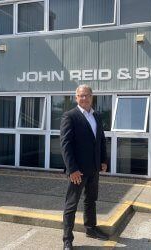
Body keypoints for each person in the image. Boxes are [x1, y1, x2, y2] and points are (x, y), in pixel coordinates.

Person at [60, 84, 108, 250]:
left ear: (92, 96)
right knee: (71, 204)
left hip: (94, 168)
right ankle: (67, 239)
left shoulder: (97, 116)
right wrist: (72, 169)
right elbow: (66, 145)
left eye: (87, 95)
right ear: (76, 98)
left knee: (91, 200)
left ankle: (91, 228)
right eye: (81, 95)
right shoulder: (70, 116)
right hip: (77, 171)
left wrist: (103, 160)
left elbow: (101, 140)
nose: (84, 98)